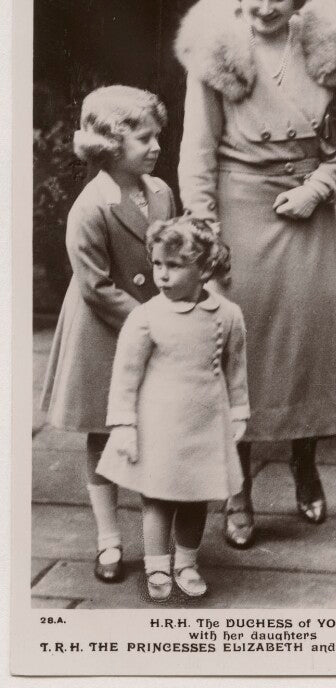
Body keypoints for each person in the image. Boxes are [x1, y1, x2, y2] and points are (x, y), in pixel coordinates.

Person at [174, 0, 336, 550]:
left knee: (307, 345)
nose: (264, 8)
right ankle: (238, 489)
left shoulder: (326, 49)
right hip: (239, 211)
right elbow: (196, 153)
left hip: (306, 212)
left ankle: (304, 464)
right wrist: (205, 232)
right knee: (240, 352)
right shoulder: (218, 53)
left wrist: (319, 187)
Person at [40, 85, 176, 583]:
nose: (156, 145)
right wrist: (150, 321)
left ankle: (156, 544)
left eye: (156, 135)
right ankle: (108, 540)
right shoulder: (91, 206)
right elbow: (96, 287)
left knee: (152, 428)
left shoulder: (160, 192)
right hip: (106, 330)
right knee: (104, 431)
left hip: (153, 323)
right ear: (110, 146)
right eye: (144, 138)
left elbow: (172, 251)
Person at [96, 217, 249, 601]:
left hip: (205, 421)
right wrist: (125, 425)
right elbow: (126, 375)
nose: (162, 275)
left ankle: (186, 562)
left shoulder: (228, 315)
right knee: (158, 496)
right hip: (159, 423)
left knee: (197, 496)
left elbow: (236, 367)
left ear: (205, 268)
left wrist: (240, 411)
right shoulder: (146, 317)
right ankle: (157, 565)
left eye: (175, 265)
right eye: (158, 264)